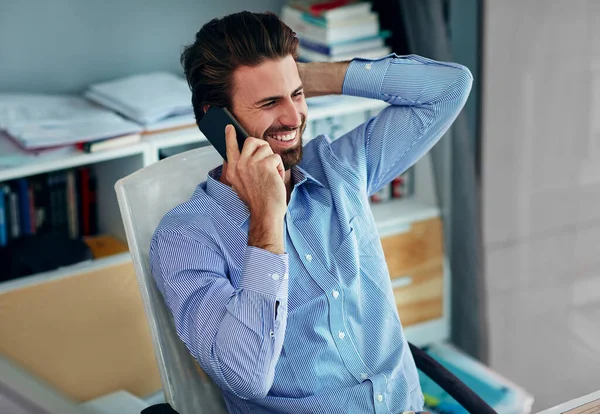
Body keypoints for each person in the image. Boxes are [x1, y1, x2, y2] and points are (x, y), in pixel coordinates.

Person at [149, 10, 472, 414]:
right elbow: (245, 375)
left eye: (296, 96)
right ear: (217, 121)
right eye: (269, 103)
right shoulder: (185, 238)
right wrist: (266, 222)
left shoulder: (339, 168)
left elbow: (450, 87)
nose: (292, 118)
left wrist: (308, 78)